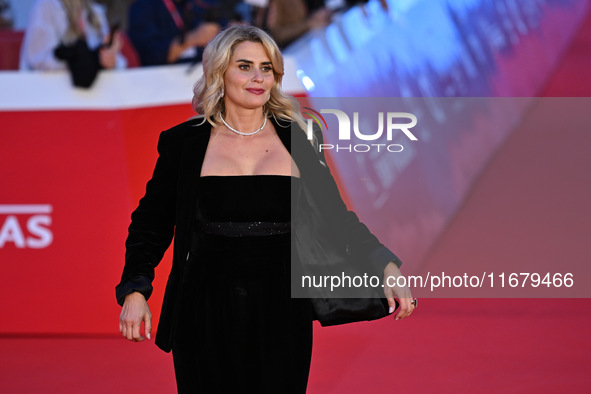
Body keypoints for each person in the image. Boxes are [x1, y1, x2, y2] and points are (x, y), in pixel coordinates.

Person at [116, 25, 416, 393]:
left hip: (280, 303)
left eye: (267, 68)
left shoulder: (301, 137)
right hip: (204, 304)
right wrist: (135, 290)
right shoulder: (183, 143)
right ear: (219, 71)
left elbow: (338, 219)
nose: (258, 78)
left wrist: (384, 263)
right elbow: (151, 224)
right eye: (245, 66)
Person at [19, 0, 125, 71]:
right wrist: (88, 59)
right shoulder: (45, 6)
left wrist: (110, 58)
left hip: (92, 97)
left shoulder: (95, 11)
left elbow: (120, 63)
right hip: (54, 97)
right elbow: (38, 61)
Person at [127, 0, 221, 66]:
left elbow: (221, 27)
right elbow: (149, 56)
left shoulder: (195, 4)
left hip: (200, 76)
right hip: (160, 84)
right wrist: (193, 39)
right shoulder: (143, 6)